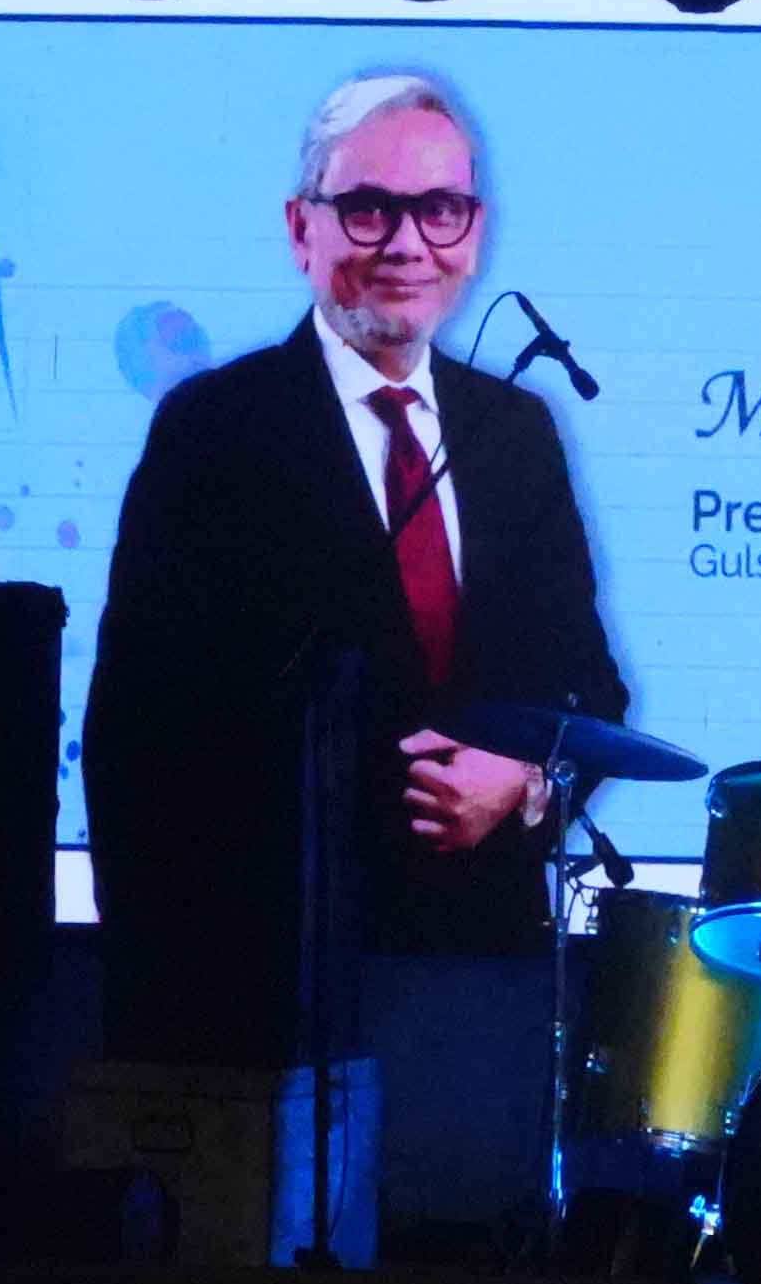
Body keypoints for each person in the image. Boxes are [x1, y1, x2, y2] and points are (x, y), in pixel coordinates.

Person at [86, 70, 625, 1055]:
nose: (409, 243)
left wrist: (522, 780)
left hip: (481, 973)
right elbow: (139, 733)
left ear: (476, 232)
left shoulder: (515, 432)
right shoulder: (216, 430)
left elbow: (590, 688)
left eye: (441, 209)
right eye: (371, 208)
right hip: (265, 989)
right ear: (303, 229)